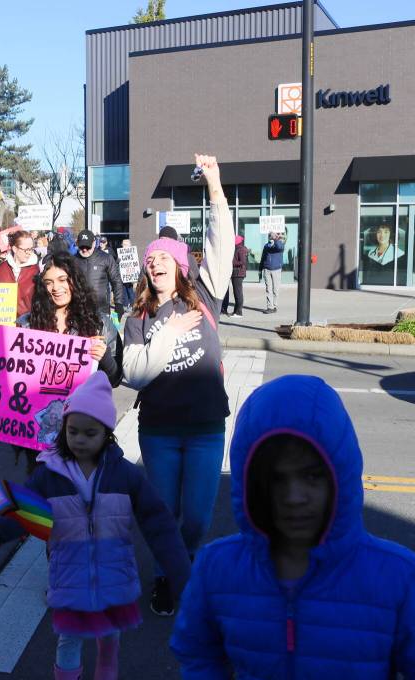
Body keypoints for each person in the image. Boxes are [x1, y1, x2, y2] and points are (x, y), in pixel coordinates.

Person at [171, 375, 415, 680]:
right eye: (277, 479)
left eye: (312, 476)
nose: (294, 497)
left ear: (340, 475)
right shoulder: (217, 569)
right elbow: (198, 652)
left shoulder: (401, 580)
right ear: (252, 484)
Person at [0, 372, 191, 680]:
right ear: (63, 428)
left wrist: (180, 571)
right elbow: (23, 513)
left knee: (110, 640)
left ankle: (106, 675)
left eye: (90, 433)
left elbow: (159, 523)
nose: (79, 439)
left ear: (107, 433)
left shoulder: (125, 475)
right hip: (69, 576)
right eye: (73, 430)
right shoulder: (48, 473)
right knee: (69, 640)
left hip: (114, 576)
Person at [121, 153, 234, 618]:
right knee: (165, 513)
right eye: (153, 260)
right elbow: (135, 374)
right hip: (161, 431)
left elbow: (221, 242)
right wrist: (166, 334)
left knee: (200, 518)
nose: (158, 264)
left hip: (206, 428)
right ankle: (169, 576)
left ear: (182, 266)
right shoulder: (138, 317)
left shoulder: (205, 296)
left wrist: (215, 185)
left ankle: (182, 563)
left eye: (167, 258)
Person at [10, 252, 123, 474]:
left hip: (83, 429)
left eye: (63, 280)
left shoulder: (99, 323)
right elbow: (12, 378)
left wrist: (105, 358)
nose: (56, 288)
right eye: (49, 282)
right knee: (42, 499)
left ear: (75, 281)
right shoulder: (27, 325)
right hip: (40, 432)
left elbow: (115, 378)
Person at [74, 230, 126, 318]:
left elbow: (116, 281)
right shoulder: (72, 260)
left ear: (94, 243)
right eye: (82, 247)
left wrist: (119, 304)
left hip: (101, 310)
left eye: (87, 246)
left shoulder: (106, 258)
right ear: (77, 244)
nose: (84, 250)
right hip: (78, 310)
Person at [0, 229, 40, 317]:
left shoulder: (37, 271)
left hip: (27, 325)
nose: (29, 253)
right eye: (26, 250)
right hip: (3, 322)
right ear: (15, 249)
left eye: (31, 249)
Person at [220, 235, 248, 318]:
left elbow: (243, 262)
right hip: (235, 273)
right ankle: (236, 311)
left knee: (238, 293)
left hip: (238, 273)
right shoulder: (237, 249)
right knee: (236, 293)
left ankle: (239, 312)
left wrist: (231, 263)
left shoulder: (241, 249)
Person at [260, 231, 286, 313]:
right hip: (267, 269)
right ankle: (270, 307)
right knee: (268, 289)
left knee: (275, 289)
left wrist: (276, 239)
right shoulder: (266, 246)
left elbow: (279, 248)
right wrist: (260, 268)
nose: (271, 237)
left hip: (276, 269)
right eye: (270, 236)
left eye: (272, 236)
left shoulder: (279, 244)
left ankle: (274, 306)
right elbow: (263, 257)